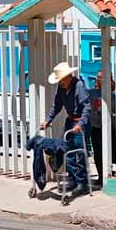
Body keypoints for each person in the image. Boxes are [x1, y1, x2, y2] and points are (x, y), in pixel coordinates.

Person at [40, 62, 91, 195]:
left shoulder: (79, 85)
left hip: (80, 122)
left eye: (62, 79)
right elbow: (57, 106)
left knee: (80, 153)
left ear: (68, 76)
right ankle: (73, 180)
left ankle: (82, 182)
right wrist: (47, 120)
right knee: (67, 151)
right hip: (70, 121)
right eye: (59, 80)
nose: (60, 82)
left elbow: (86, 107)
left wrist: (80, 125)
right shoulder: (61, 88)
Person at [89, 71, 116, 188]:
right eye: (98, 77)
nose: (99, 79)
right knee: (98, 153)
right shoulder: (91, 93)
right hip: (96, 126)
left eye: (101, 77)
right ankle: (100, 176)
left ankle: (110, 175)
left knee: (111, 152)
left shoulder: (113, 95)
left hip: (110, 127)